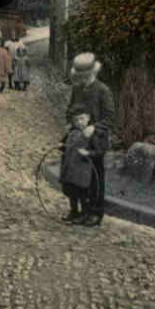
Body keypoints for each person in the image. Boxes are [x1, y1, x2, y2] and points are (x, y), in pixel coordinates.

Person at [66, 52, 115, 227]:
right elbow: (70, 110)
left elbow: (109, 117)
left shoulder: (103, 91)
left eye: (84, 76)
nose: (81, 79)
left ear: (92, 73)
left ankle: (95, 212)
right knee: (76, 175)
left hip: (96, 141)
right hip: (78, 139)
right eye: (78, 76)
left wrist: (94, 127)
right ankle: (78, 210)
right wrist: (70, 123)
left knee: (95, 177)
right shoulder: (77, 88)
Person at [60, 110, 101, 224]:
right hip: (70, 168)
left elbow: (99, 151)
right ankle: (73, 212)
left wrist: (88, 153)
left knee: (82, 193)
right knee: (71, 192)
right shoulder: (71, 133)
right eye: (76, 120)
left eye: (82, 119)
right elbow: (68, 146)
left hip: (83, 170)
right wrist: (62, 146)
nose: (79, 122)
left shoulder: (92, 134)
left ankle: (84, 214)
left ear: (88, 118)